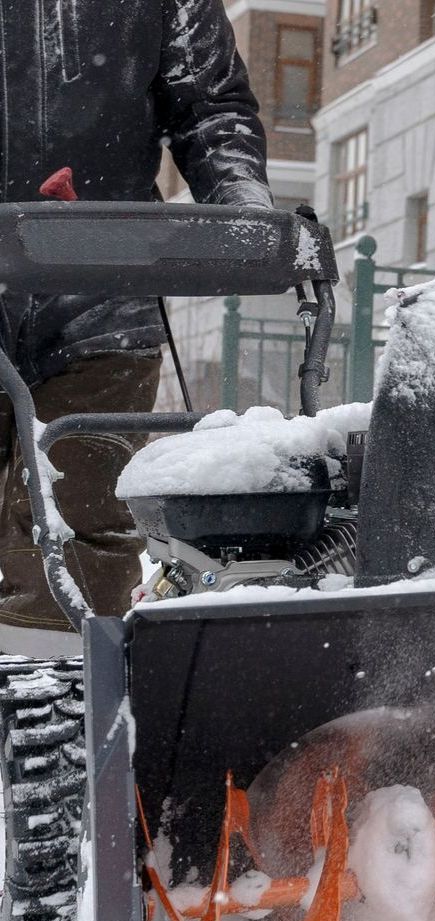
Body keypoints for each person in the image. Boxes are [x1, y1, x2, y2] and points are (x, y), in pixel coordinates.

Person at [0, 0, 274, 658]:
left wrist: (240, 203)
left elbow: (209, 104)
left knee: (74, 514)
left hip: (103, 294)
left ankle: (52, 718)